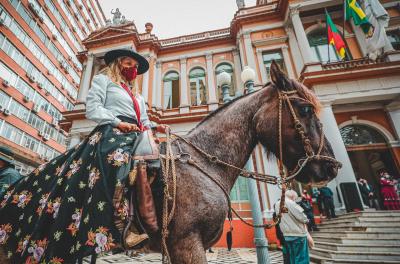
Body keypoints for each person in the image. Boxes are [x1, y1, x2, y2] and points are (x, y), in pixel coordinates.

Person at [0, 48, 169, 263]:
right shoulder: (103, 81)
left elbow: (143, 121)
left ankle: (148, 221)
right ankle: (121, 224)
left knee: (158, 165)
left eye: (135, 66)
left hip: (137, 135)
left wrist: (156, 126)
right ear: (118, 64)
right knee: (118, 161)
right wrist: (117, 123)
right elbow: (93, 108)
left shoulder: (138, 96)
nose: (133, 69)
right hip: (113, 133)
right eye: (128, 64)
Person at [274, 190, 312, 264]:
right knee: (301, 258)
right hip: (298, 235)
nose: (295, 199)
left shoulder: (277, 204)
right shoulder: (291, 203)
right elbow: (302, 217)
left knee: (292, 258)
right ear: (292, 196)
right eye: (295, 198)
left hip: (287, 235)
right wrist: (307, 220)